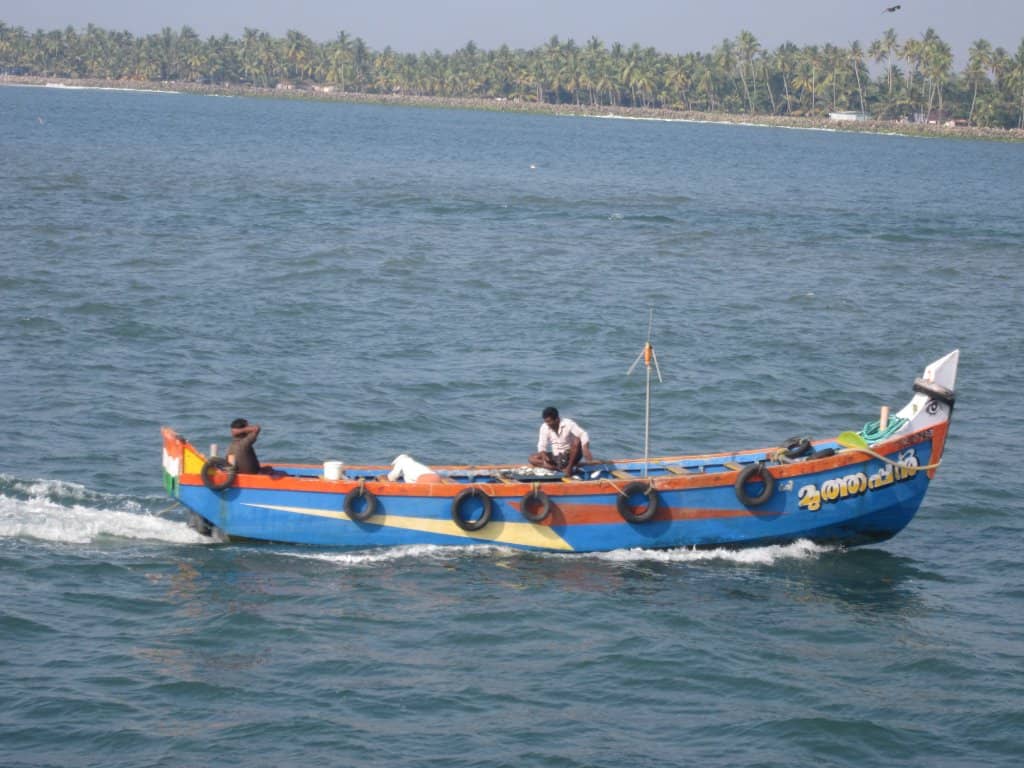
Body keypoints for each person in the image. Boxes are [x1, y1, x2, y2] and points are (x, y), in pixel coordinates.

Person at [529, 406, 594, 475]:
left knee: (577, 440)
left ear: (557, 419)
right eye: (546, 422)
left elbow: (583, 434)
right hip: (557, 456)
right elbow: (542, 444)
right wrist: (543, 454)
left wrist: (585, 448)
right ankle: (558, 469)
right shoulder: (544, 427)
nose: (547, 424)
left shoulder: (568, 423)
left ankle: (569, 468)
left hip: (570, 455)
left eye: (549, 422)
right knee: (532, 458)